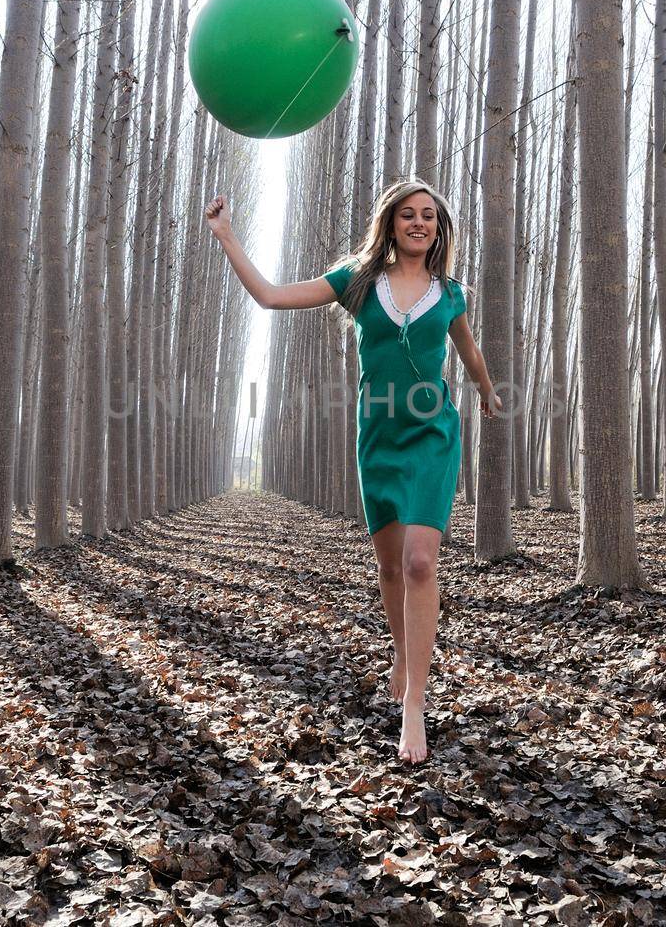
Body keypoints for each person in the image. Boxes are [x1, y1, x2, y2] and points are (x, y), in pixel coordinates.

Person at [205, 179, 501, 764]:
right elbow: (270, 296)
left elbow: (467, 350)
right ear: (390, 223)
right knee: (391, 567)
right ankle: (400, 651)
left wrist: (488, 393)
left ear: (439, 231)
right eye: (409, 215)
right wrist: (227, 235)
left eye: (430, 217)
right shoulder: (358, 282)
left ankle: (414, 702)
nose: (420, 224)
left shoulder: (452, 293)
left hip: (432, 434)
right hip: (378, 437)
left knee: (421, 561)